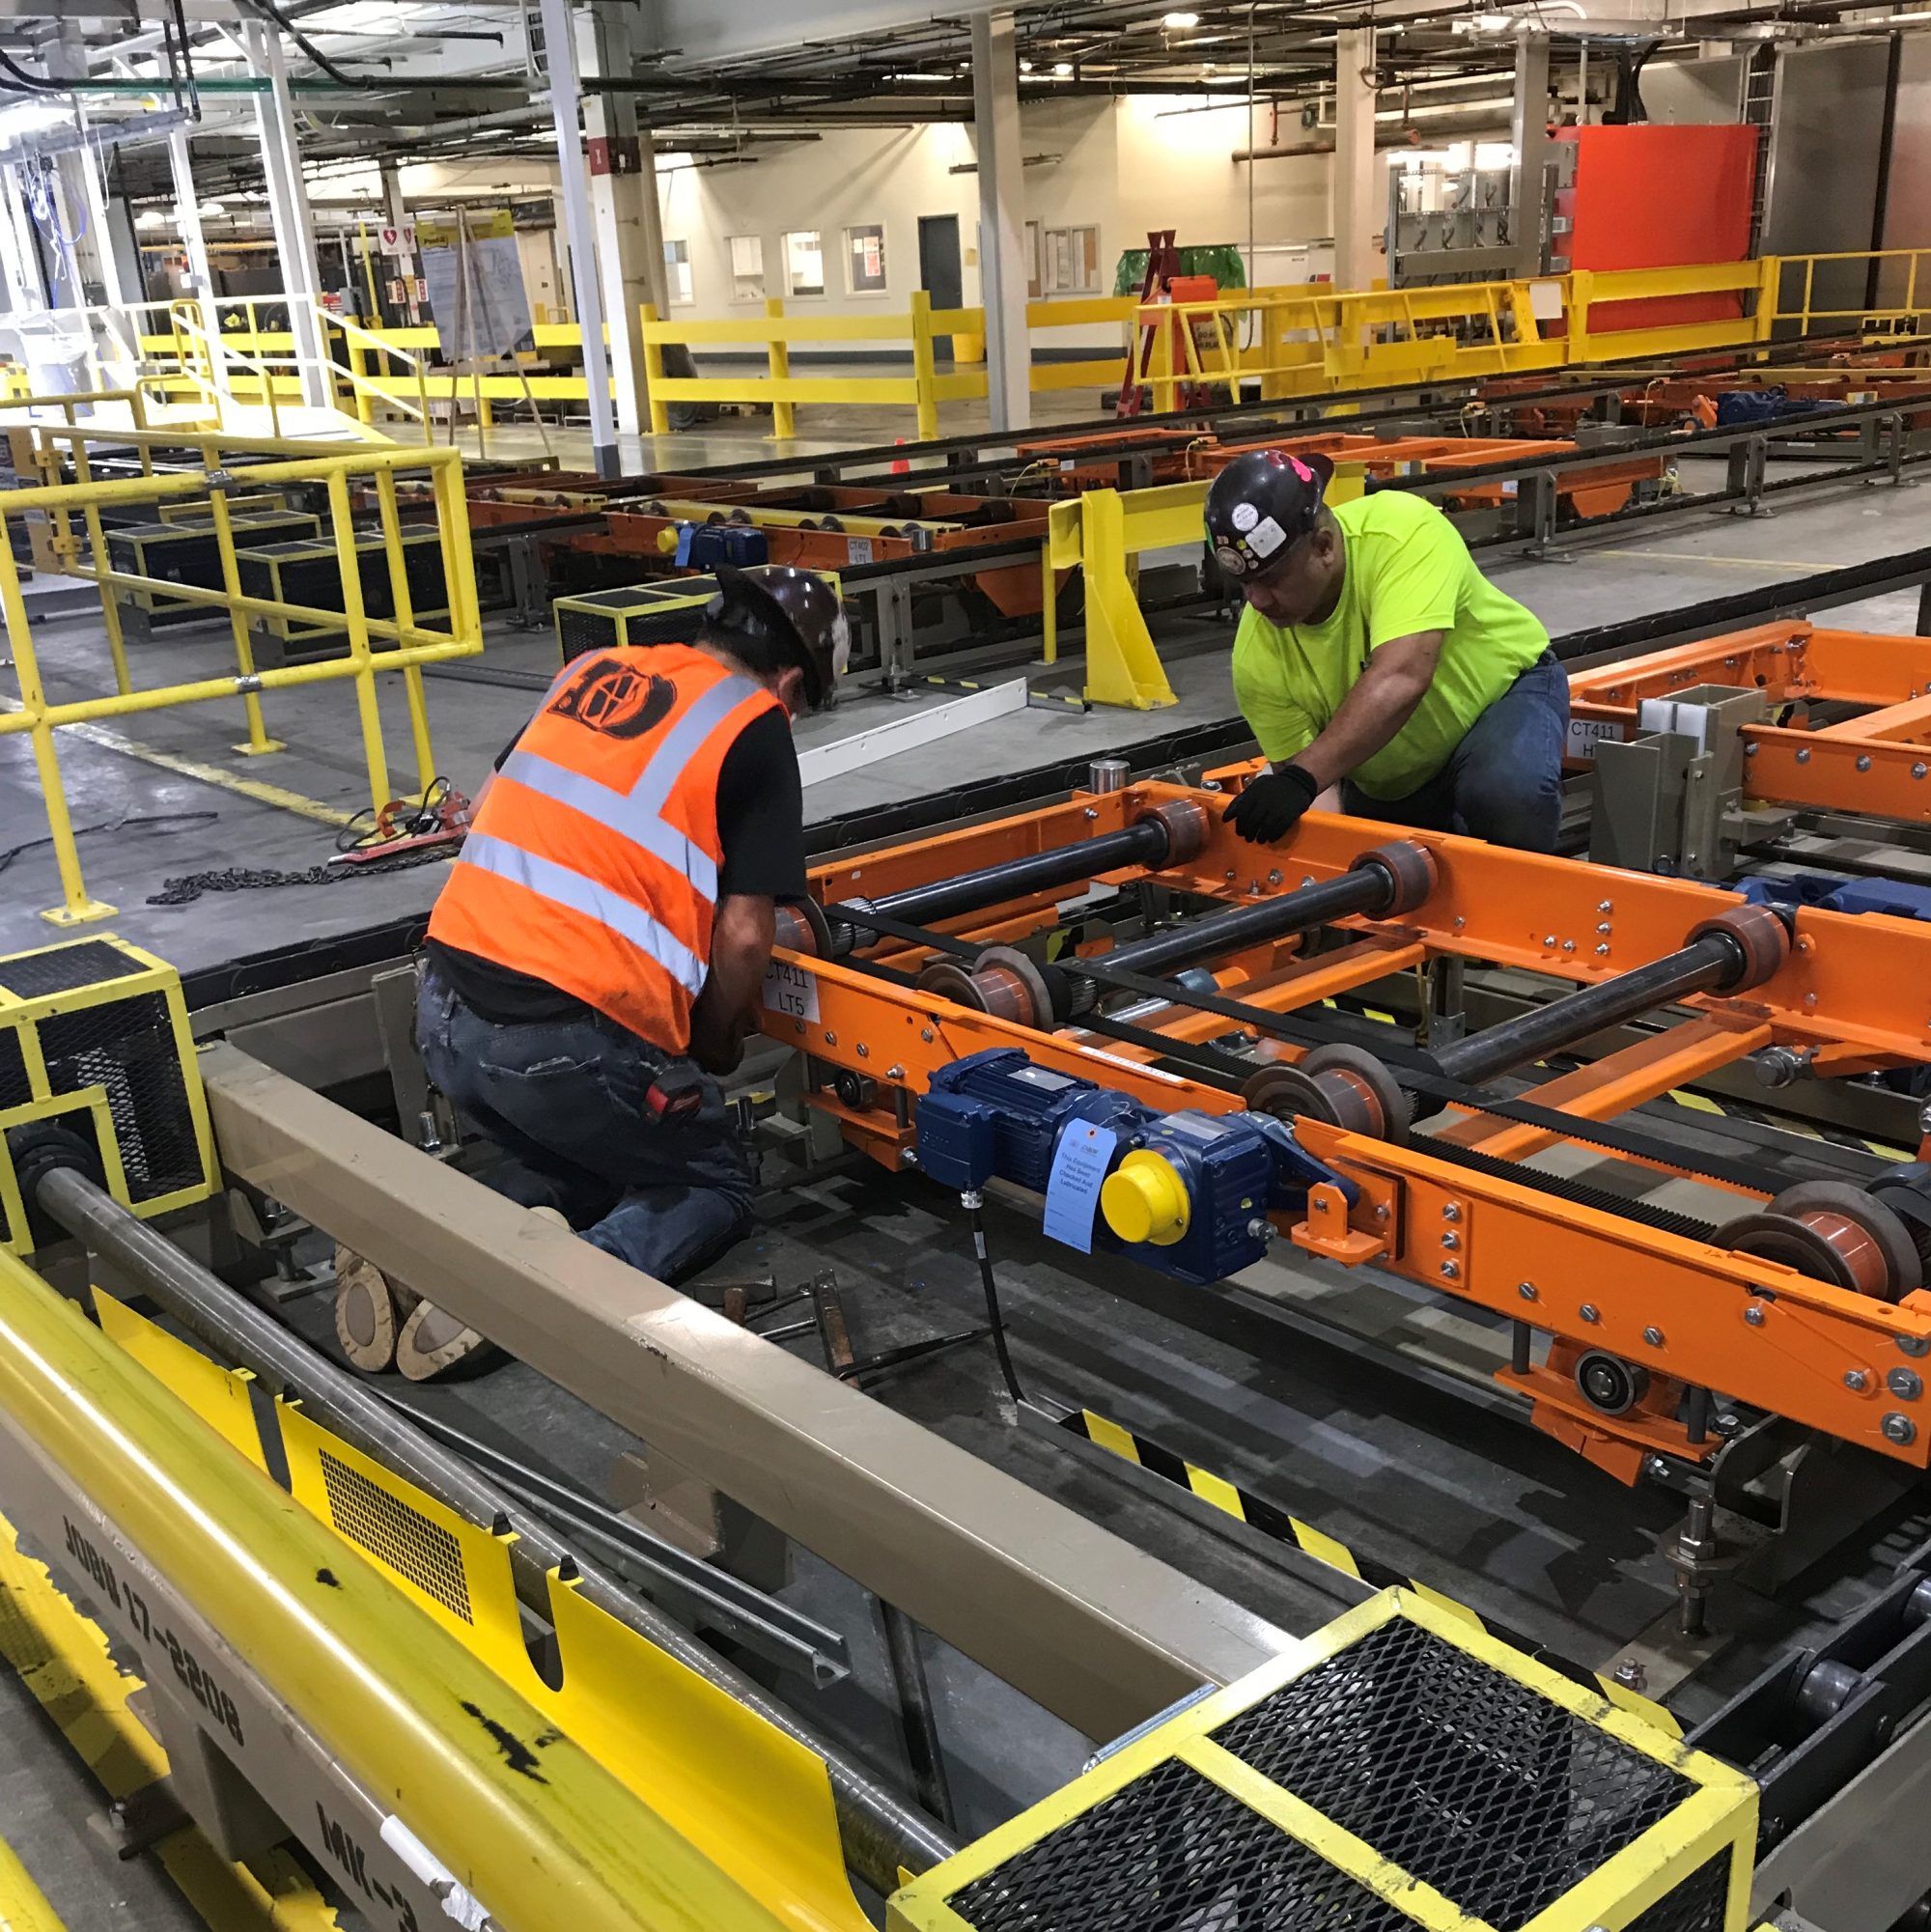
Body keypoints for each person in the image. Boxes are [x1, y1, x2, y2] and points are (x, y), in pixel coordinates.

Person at [332, 564, 847, 1381]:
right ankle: (530, 1292)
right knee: (711, 1181)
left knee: (587, 1158)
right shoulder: (755, 722)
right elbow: (746, 938)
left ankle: (419, 1259)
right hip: (562, 1044)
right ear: (789, 680)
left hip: (443, 1017)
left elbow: (508, 805)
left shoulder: (592, 671)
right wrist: (711, 1040)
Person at [1205, 448, 1569, 852]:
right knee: (1376, 864)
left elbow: (1402, 675)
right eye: (1244, 584)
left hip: (1501, 698)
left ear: (1324, 546)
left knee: (1506, 792)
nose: (1256, 600)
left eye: (1271, 578)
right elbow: (1315, 800)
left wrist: (1301, 779)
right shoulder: (1256, 657)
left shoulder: (1401, 533)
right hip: (1393, 774)